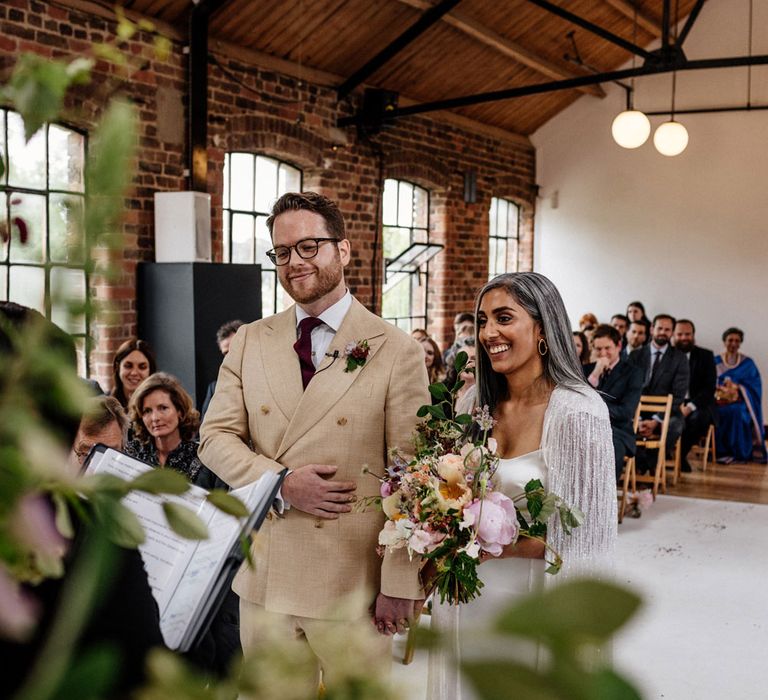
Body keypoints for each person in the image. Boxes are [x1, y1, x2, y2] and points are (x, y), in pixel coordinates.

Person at [198, 191, 429, 693]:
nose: (294, 262)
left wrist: (400, 581)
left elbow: (413, 476)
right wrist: (280, 483)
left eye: (309, 247)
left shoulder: (397, 350)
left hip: (356, 586)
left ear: (342, 250)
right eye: (281, 252)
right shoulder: (251, 342)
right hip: (268, 582)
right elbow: (214, 437)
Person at [428, 272, 616, 699]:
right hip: (466, 593)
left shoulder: (577, 413)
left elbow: (589, 533)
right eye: (481, 320)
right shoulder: (471, 404)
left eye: (503, 317)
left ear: (542, 328)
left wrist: (494, 544)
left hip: (533, 596)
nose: (488, 332)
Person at [585, 325, 644, 481]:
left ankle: (605, 500)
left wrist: (593, 408)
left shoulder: (633, 373)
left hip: (617, 431)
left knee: (609, 446)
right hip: (585, 427)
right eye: (598, 349)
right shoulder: (585, 371)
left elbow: (625, 412)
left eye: (607, 348)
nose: (603, 353)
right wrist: (595, 374)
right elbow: (576, 401)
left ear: (619, 346)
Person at [126, 372, 207, 482]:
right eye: (147, 411)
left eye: (163, 408)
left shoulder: (200, 457)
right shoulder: (132, 452)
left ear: (180, 411)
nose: (155, 418)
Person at [628, 314, 689, 453]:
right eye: (659, 328)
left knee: (675, 426)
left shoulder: (680, 358)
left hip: (666, 411)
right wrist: (639, 418)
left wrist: (657, 420)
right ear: (652, 329)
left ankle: (651, 463)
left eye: (667, 330)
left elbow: (679, 395)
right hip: (637, 408)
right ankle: (636, 461)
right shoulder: (635, 356)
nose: (662, 332)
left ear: (672, 332)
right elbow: (629, 388)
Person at [715, 327, 766, 463]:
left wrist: (738, 387)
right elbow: (708, 381)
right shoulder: (716, 361)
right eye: (730, 340)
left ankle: (738, 452)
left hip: (740, 403)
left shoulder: (747, 363)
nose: (733, 344)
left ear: (740, 343)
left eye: (737, 341)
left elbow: (755, 385)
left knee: (737, 412)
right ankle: (720, 451)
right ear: (724, 342)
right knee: (720, 412)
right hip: (720, 401)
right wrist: (721, 388)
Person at [673, 320, 717, 472]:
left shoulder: (706, 356)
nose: (684, 337)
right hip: (673, 401)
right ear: (673, 335)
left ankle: (680, 456)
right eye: (680, 334)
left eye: (687, 334)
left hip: (697, 403)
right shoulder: (669, 355)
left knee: (698, 418)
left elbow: (709, 388)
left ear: (693, 335)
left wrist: (689, 407)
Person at [201, 319, 245, 419]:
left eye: (234, 349)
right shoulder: (215, 388)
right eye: (226, 353)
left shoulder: (268, 381)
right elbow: (206, 427)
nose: (229, 357)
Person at [110, 338, 157, 409]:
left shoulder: (159, 405)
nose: (134, 373)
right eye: (128, 366)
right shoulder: (105, 405)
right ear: (118, 367)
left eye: (142, 367)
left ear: (150, 370)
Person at [443, 336, 476, 403]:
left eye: (473, 358)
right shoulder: (445, 390)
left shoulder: (489, 391)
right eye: (463, 359)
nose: (467, 363)